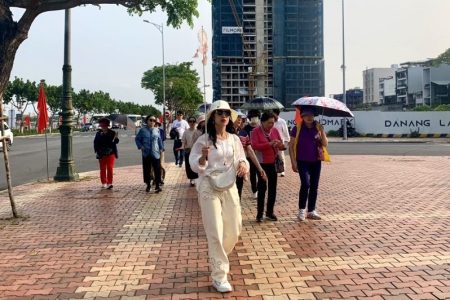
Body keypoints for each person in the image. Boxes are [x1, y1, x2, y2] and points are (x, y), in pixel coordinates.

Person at [189, 100, 249, 293]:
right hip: (209, 186)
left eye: (226, 113)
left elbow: (241, 157)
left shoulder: (234, 139)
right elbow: (194, 165)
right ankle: (219, 275)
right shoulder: (203, 140)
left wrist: (242, 164)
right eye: (219, 112)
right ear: (213, 117)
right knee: (215, 230)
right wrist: (203, 157)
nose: (223, 115)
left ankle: (218, 256)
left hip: (229, 185)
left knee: (234, 228)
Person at [289, 108, 328, 221]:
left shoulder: (318, 127)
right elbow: (291, 146)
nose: (309, 117)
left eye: (311, 115)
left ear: (314, 115)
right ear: (302, 116)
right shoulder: (297, 128)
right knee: (305, 184)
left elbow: (325, 144)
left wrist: (322, 131)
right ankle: (301, 210)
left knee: (314, 186)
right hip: (302, 161)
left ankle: (311, 211)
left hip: (316, 161)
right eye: (306, 115)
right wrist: (293, 162)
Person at [251, 111, 284, 222]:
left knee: (273, 189)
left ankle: (270, 212)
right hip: (261, 164)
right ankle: (259, 214)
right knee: (262, 188)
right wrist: (269, 144)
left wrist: (280, 144)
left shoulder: (275, 130)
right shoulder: (256, 131)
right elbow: (255, 146)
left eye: (273, 122)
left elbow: (282, 145)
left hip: (273, 162)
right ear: (262, 122)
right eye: (269, 123)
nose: (272, 125)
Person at [234, 113, 267, 200]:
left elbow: (250, 151)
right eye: (237, 118)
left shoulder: (243, 133)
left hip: (239, 168)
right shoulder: (225, 134)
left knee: (238, 191)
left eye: (240, 118)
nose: (239, 120)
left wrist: (260, 168)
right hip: (227, 169)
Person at [135, 115, 164, 193]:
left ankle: (157, 185)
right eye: (150, 120)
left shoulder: (157, 130)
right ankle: (148, 184)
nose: (152, 122)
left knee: (157, 169)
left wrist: (161, 149)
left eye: (154, 121)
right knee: (147, 170)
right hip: (146, 153)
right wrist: (140, 146)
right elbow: (137, 139)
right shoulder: (142, 130)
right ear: (147, 121)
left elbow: (159, 140)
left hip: (156, 152)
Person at [94, 118, 119, 189]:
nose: (103, 127)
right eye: (102, 126)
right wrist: (97, 151)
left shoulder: (112, 132)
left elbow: (116, 142)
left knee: (110, 168)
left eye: (104, 126)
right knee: (102, 168)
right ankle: (104, 182)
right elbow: (95, 142)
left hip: (111, 153)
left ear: (107, 125)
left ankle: (109, 183)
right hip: (101, 153)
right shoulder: (98, 133)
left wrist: (116, 138)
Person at [242, 109, 261, 199]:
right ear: (249, 118)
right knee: (253, 173)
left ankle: (259, 188)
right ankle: (254, 190)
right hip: (250, 154)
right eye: (252, 117)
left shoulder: (261, 128)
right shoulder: (246, 128)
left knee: (260, 172)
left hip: (260, 154)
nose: (254, 119)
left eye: (256, 117)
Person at [181, 116, 199, 186]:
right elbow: (183, 141)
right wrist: (182, 146)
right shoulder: (186, 132)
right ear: (188, 122)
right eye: (190, 121)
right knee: (189, 165)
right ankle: (192, 179)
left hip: (196, 151)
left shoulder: (198, 132)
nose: (192, 123)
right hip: (188, 150)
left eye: (193, 121)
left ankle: (196, 178)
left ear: (195, 122)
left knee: (195, 164)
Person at [273, 109, 290, 177]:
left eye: (274, 114)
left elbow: (285, 131)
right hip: (271, 141)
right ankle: (275, 169)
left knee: (281, 156)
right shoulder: (271, 121)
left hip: (280, 141)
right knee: (273, 156)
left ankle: (282, 171)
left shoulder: (282, 121)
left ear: (277, 114)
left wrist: (287, 140)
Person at [155, 119, 166, 185]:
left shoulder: (161, 131)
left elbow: (163, 140)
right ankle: (155, 178)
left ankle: (161, 178)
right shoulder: (151, 131)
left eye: (157, 124)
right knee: (153, 166)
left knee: (161, 164)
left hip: (161, 150)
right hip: (153, 150)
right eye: (155, 124)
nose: (156, 125)